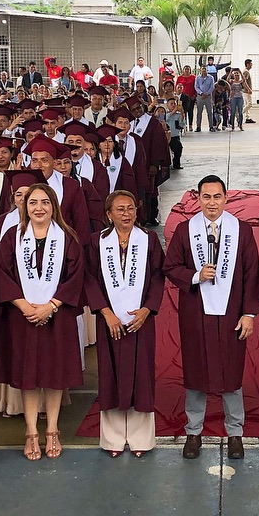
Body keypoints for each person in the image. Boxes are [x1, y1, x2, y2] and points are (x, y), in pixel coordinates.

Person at [163, 175, 259, 460]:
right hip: (197, 313)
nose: (212, 203)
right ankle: (193, 432)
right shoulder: (186, 230)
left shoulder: (241, 231)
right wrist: (195, 275)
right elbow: (171, 267)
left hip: (231, 314)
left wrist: (248, 314)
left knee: (231, 374)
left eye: (217, 196)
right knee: (196, 374)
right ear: (198, 199)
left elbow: (252, 274)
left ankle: (235, 433)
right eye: (206, 197)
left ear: (226, 198)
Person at [0, 182, 85, 461]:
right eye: (33, 202)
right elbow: (2, 273)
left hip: (57, 317)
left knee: (55, 375)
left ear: (53, 206)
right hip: (22, 317)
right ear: (25, 206)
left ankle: (53, 429)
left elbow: (75, 276)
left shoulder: (67, 237)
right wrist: (24, 305)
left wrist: (51, 306)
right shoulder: (12, 237)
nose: (39, 208)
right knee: (29, 376)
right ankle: (31, 430)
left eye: (45, 202)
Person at [85, 190, 164, 456]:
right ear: (109, 214)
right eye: (120, 209)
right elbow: (89, 278)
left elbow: (158, 276)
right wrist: (105, 312)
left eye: (130, 208)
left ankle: (141, 439)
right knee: (111, 377)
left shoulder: (149, 239)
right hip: (110, 322)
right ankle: (113, 440)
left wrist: (147, 309)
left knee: (141, 377)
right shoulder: (97, 242)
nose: (126, 213)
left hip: (141, 321)